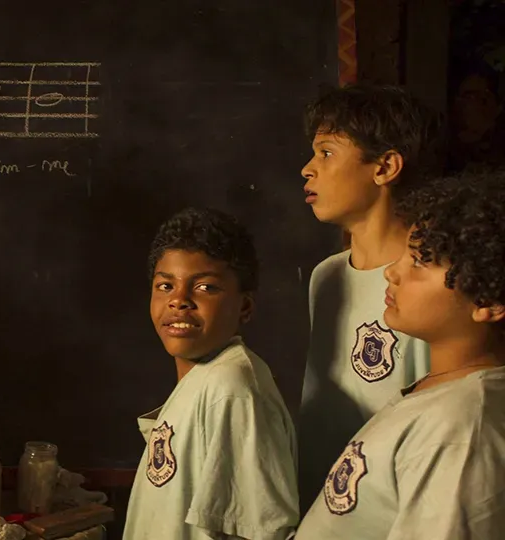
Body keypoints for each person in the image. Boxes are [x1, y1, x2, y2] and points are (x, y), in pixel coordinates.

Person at [295, 170, 505, 538]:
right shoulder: (441, 393)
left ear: (486, 300)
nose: (393, 272)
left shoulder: (460, 431)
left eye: (420, 262)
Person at [297, 84, 437, 509]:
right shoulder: (327, 277)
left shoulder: (434, 277)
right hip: (320, 512)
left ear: (385, 167)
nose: (307, 168)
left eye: (326, 153)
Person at [123, 207, 299, 540]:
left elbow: (261, 532)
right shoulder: (202, 379)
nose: (179, 301)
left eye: (205, 288)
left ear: (245, 307)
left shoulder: (231, 386)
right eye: (165, 285)